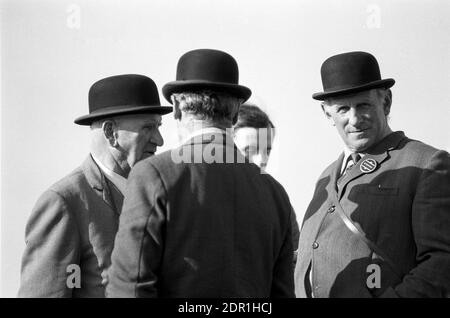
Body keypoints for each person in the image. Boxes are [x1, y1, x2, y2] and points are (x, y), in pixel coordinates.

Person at [107, 49, 295, 297]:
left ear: (175, 106)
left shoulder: (153, 174)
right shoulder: (274, 193)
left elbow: (129, 288)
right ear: (236, 111)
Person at [294, 51, 450, 298]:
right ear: (327, 114)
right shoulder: (325, 178)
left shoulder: (427, 163)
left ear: (386, 102)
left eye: (363, 105)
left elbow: (442, 263)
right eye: (343, 109)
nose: (354, 119)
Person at [18, 74, 172, 297]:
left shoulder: (157, 194)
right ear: (110, 132)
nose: (160, 140)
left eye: (158, 126)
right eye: (148, 127)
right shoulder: (64, 202)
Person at [233, 103, 300, 256]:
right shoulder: (203, 201)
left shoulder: (280, 205)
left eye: (267, 151)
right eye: (249, 150)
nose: (260, 161)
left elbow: (294, 266)